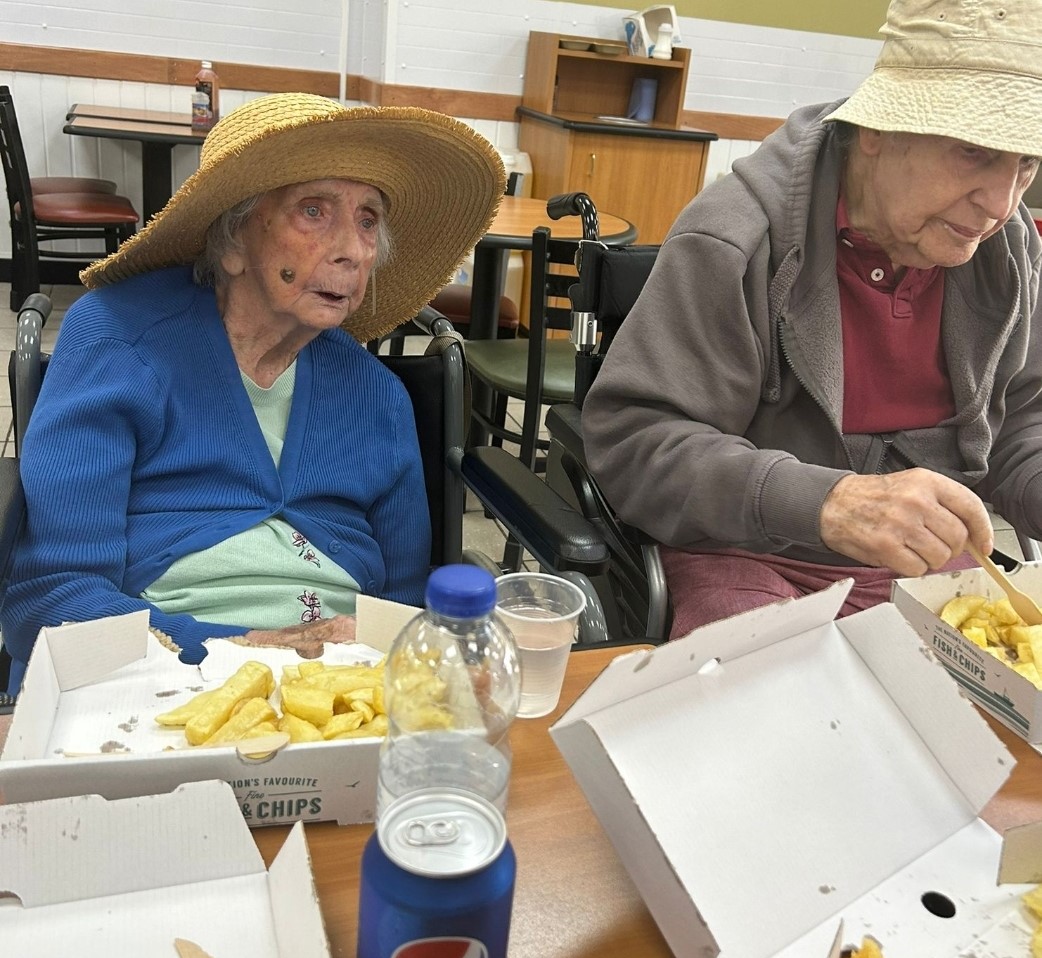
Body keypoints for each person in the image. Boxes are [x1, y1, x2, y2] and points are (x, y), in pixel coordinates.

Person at [0, 93, 506, 693]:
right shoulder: (118, 341)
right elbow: (53, 594)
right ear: (235, 240)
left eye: (368, 219)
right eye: (314, 211)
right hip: (151, 679)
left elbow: (399, 600)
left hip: (339, 690)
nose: (352, 248)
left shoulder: (376, 395)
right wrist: (235, 654)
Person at [582, 0, 1042, 639]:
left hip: (929, 562)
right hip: (749, 551)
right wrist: (828, 503)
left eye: (1025, 164)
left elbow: (1019, 421)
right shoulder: (736, 238)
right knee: (770, 719)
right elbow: (636, 442)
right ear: (878, 130)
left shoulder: (1008, 247)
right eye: (973, 151)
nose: (1001, 203)